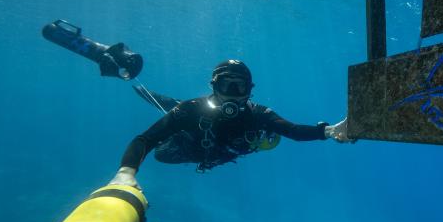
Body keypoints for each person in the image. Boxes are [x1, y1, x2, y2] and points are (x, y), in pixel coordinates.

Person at [109, 59, 350, 188]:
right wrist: (126, 173)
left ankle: (170, 107)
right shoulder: (190, 110)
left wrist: (329, 131)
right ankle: (165, 105)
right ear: (214, 86)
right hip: (182, 148)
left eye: (240, 86)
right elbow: (145, 139)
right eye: (227, 85)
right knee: (164, 149)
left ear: (249, 90)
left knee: (184, 110)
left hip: (217, 155)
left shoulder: (259, 114)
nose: (233, 93)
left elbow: (294, 131)